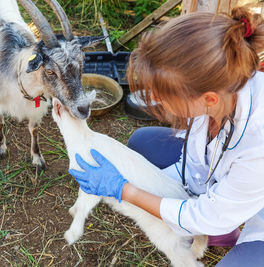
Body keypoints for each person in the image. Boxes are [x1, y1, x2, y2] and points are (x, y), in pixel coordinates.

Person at [69, 6, 264, 267]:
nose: (155, 100)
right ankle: (222, 230)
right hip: (238, 186)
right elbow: (195, 162)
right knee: (142, 143)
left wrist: (124, 189)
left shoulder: (257, 143)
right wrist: (141, 180)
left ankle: (230, 231)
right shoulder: (218, 87)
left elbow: (209, 214)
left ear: (208, 99)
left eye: (163, 95)